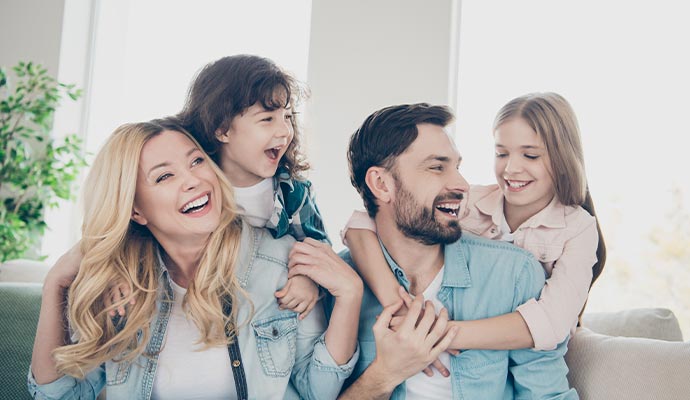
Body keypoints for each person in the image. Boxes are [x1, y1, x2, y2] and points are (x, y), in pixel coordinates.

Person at [28, 119, 362, 399]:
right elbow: (58, 395)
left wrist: (349, 296)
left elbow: (318, 390)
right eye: (164, 176)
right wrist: (55, 285)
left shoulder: (281, 261)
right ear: (135, 210)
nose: (193, 181)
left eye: (197, 161)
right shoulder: (120, 287)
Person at [334, 103, 577, 399]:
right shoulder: (338, 288)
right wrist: (386, 374)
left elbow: (547, 394)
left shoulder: (513, 273)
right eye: (437, 167)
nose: (462, 184)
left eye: (457, 167)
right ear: (381, 184)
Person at [105, 54, 328, 320]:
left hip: (259, 308)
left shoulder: (293, 193)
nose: (284, 131)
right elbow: (138, 230)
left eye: (288, 117)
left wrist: (306, 278)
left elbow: (318, 244)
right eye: (267, 119)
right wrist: (116, 272)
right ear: (222, 129)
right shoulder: (199, 185)